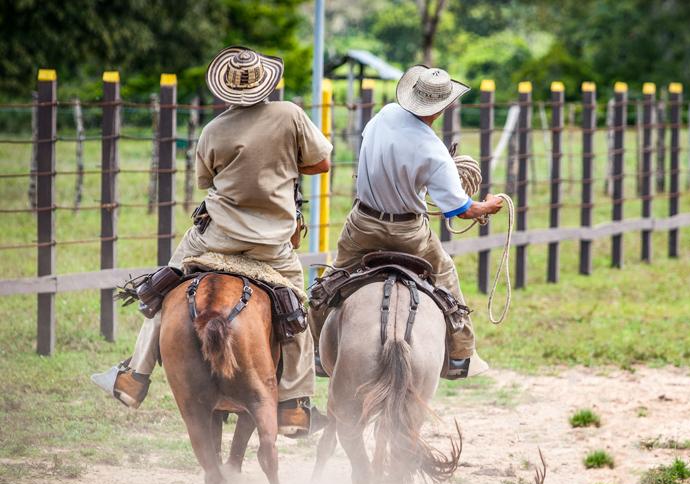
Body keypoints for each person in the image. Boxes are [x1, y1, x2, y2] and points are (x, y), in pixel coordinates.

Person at [91, 46, 332, 435]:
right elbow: (321, 163)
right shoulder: (290, 115)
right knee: (296, 310)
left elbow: (207, 182)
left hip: (214, 238)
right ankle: (294, 404)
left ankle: (134, 377)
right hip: (272, 244)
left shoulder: (213, 130)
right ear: (266, 82)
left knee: (165, 289)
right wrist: (283, 163)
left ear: (227, 91)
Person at [321, 65, 503, 378]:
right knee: (445, 274)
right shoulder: (435, 152)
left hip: (363, 224)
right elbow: (461, 210)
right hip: (409, 233)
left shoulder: (385, 115)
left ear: (412, 95)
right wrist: (487, 206)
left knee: (331, 279)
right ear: (443, 106)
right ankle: (461, 353)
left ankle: (314, 349)